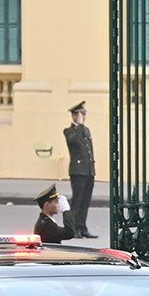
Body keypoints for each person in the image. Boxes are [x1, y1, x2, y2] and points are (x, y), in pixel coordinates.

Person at [63, 101, 98, 239]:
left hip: (88, 170)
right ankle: (73, 229)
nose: (84, 116)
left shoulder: (85, 130)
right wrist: (78, 124)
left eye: (84, 113)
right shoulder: (69, 131)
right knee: (77, 201)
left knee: (85, 201)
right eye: (81, 114)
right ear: (74, 115)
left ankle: (82, 227)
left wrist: (92, 169)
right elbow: (74, 142)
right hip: (77, 171)